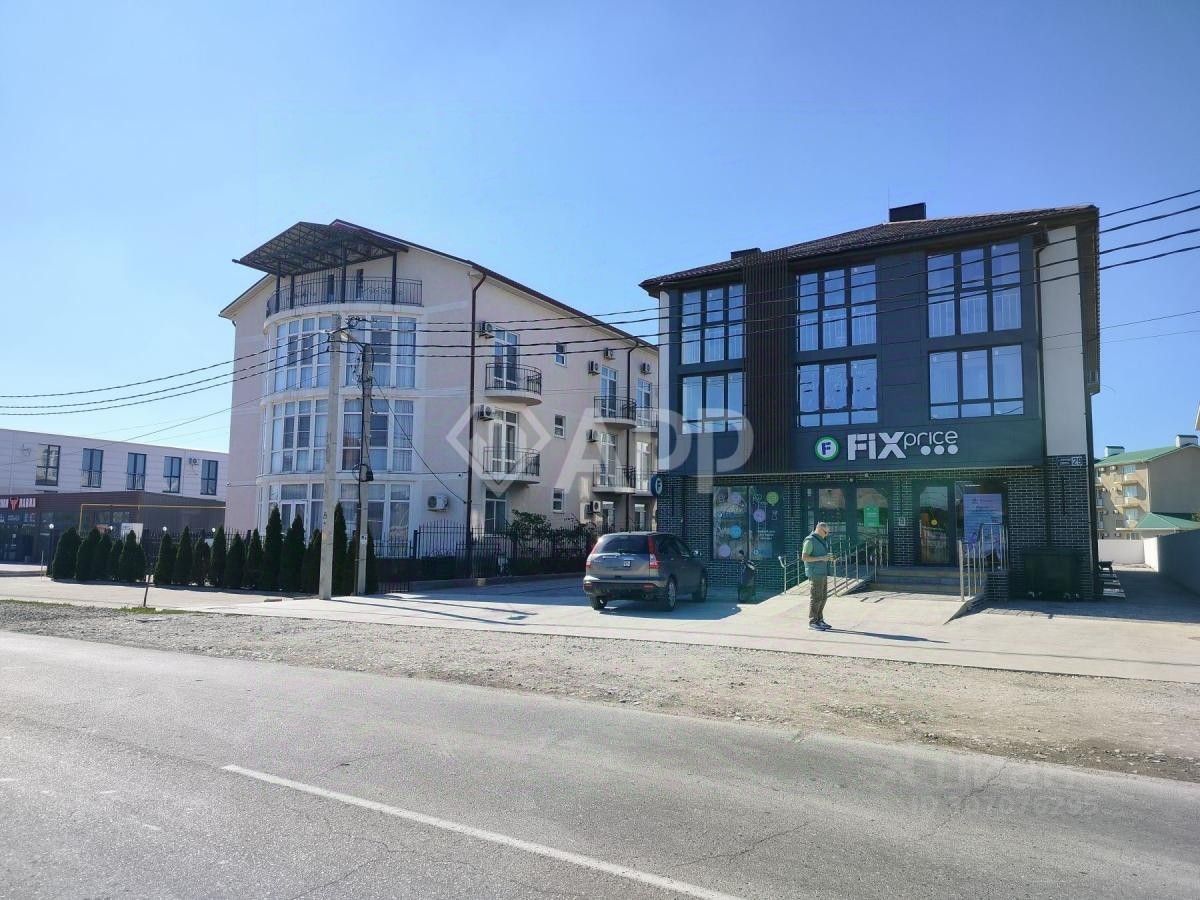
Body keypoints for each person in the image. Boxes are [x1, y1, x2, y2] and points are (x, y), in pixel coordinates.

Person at [802, 522, 835, 631]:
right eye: (825, 532)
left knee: (823, 597)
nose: (827, 535)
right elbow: (804, 557)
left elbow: (820, 555)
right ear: (820, 530)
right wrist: (821, 558)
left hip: (822, 572)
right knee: (816, 598)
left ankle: (819, 620)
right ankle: (812, 622)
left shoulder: (821, 540)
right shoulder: (810, 540)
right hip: (815, 573)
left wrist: (827, 557)